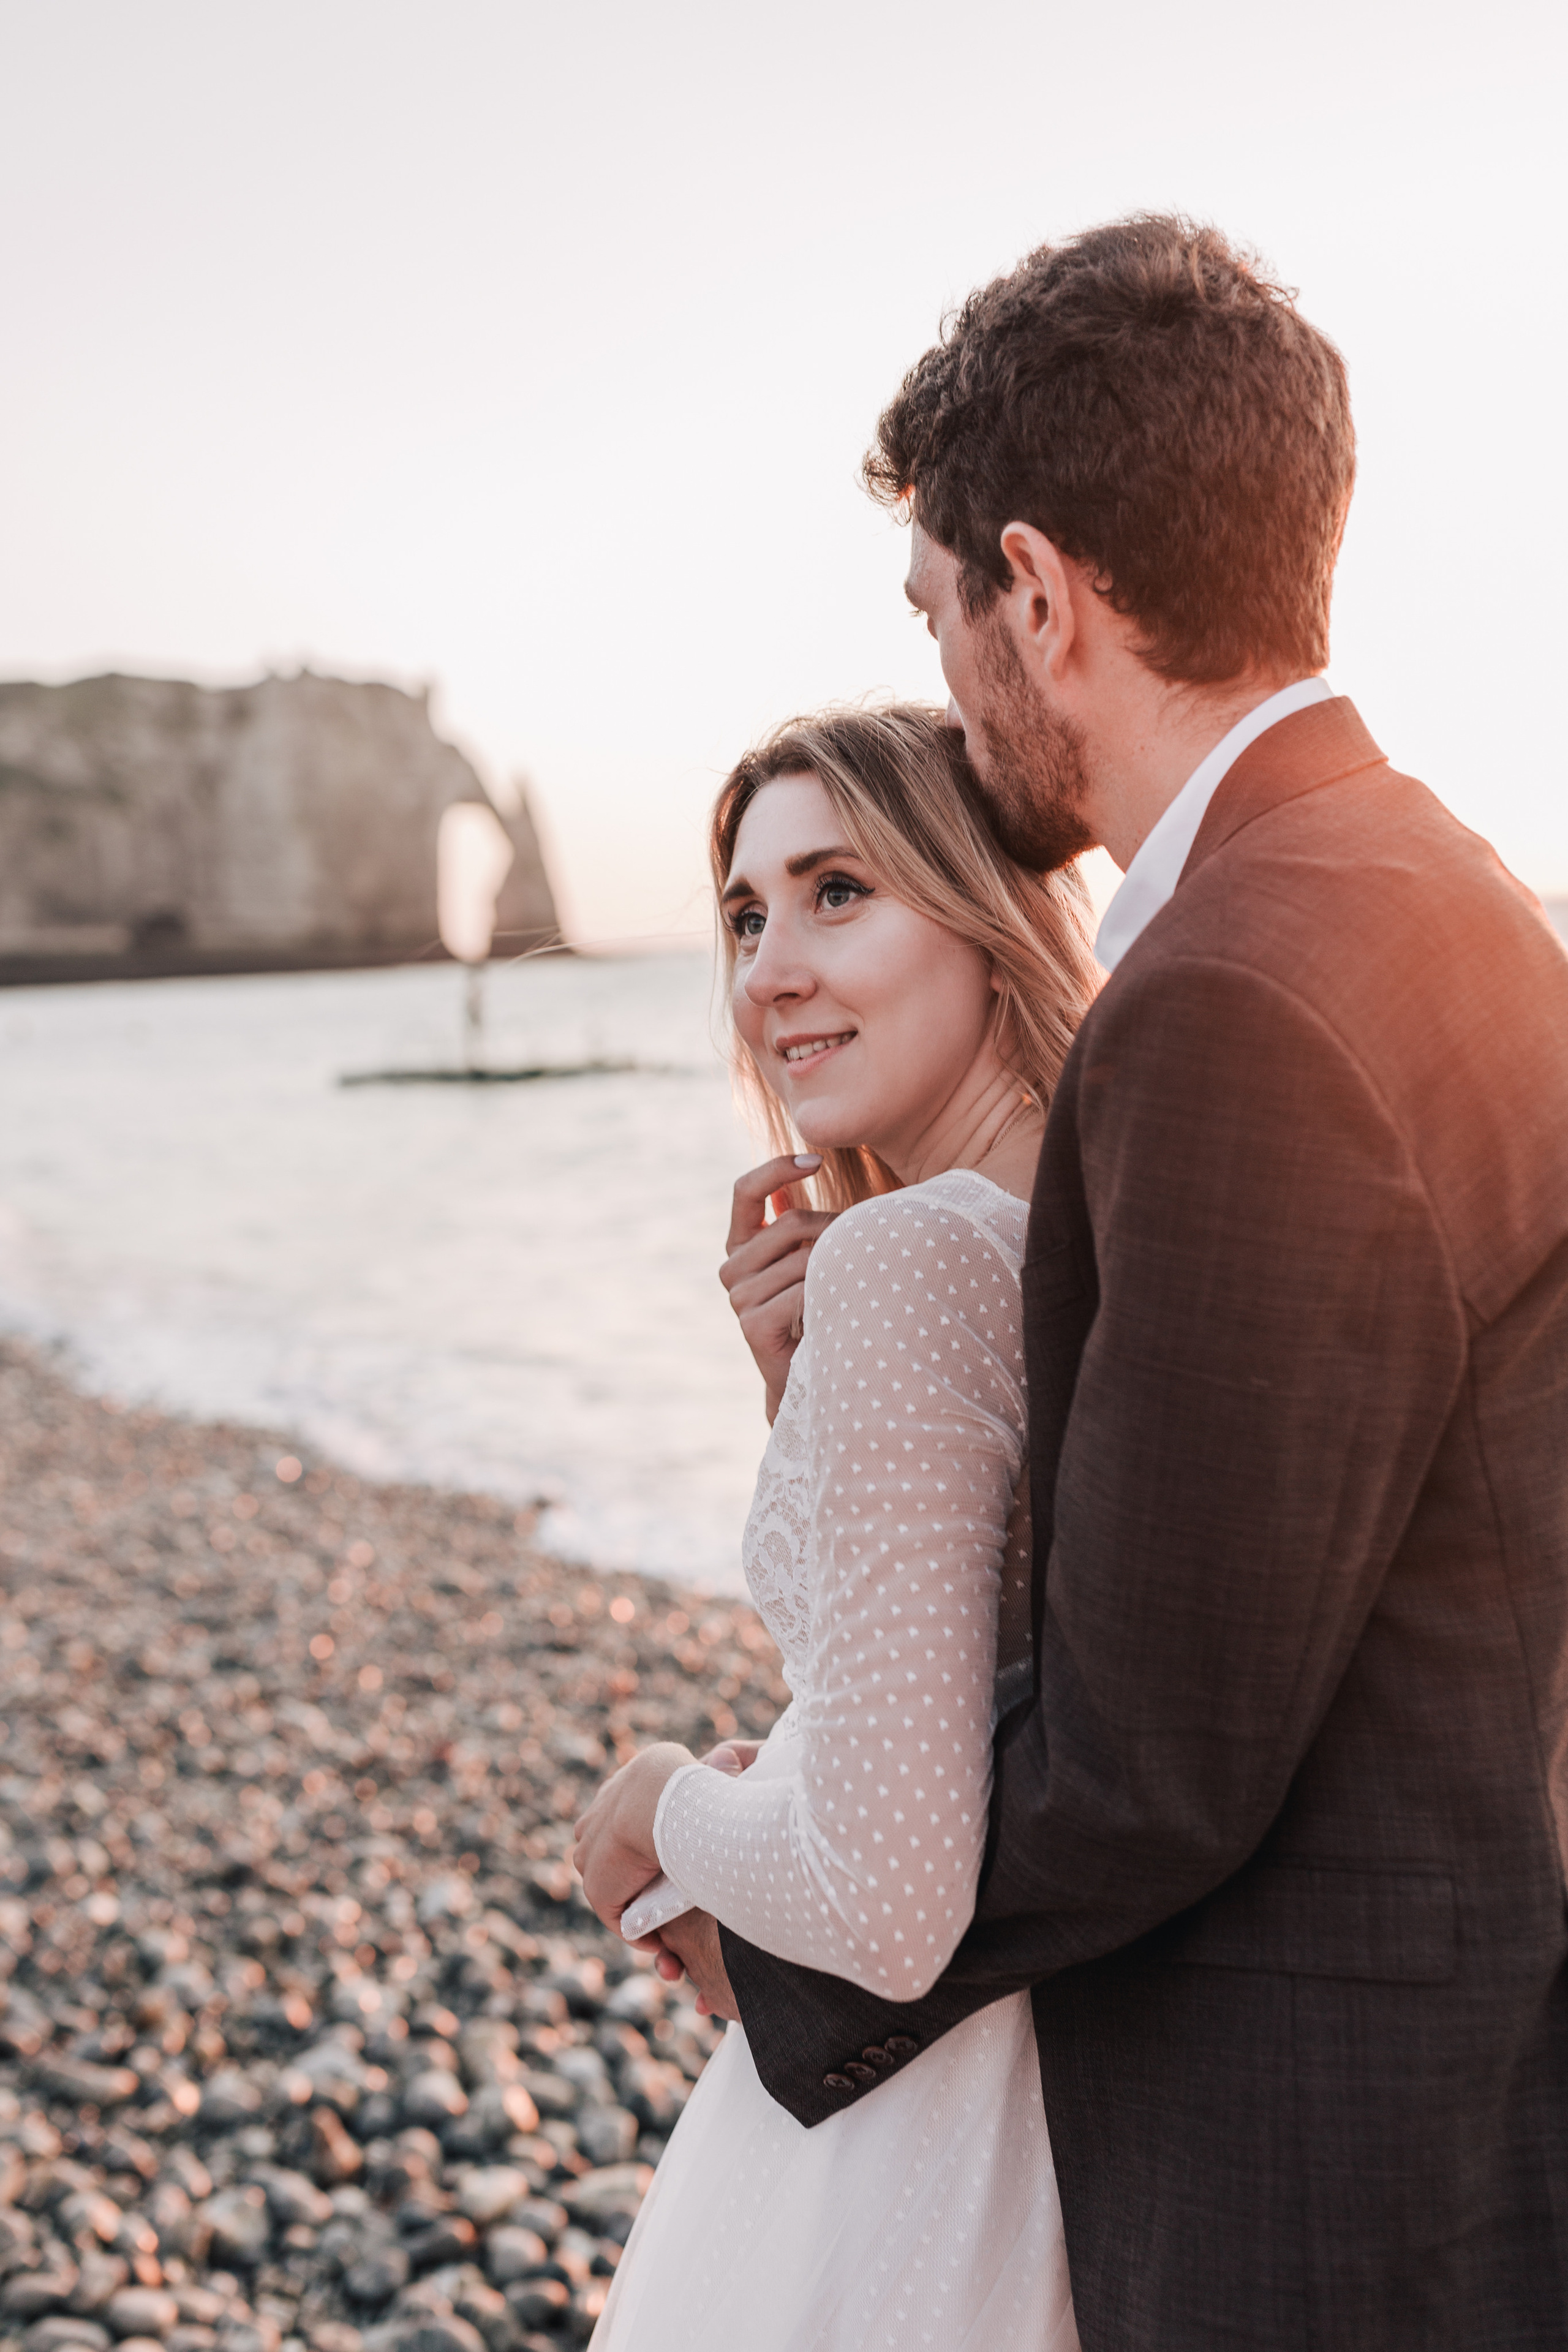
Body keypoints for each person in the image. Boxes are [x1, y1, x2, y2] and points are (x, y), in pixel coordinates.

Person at [671, 217, 1568, 2347]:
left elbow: (1155, 1753)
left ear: (1043, 597)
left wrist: (728, 1883)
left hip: (1308, 2167)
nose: (946, 667)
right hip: (1471, 2075)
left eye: (940, 606)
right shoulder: (1468, 912)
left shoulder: (1236, 994)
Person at [575, 702, 1101, 2348]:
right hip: (1053, 2094)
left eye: (837, 893)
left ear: (984, 913)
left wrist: (663, 1806)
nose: (770, 972)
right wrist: (798, 1393)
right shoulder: (1069, 1232)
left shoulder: (911, 1259)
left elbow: (882, 1897)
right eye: (744, 916)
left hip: (903, 2130)